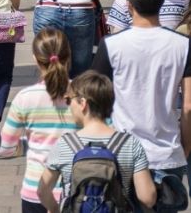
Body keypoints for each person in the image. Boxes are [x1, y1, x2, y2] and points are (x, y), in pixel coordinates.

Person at [93, 0, 191, 191]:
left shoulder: (111, 44)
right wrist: (185, 147)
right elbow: (188, 106)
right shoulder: (183, 45)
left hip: (122, 150)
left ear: (129, 5)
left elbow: (94, 98)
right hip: (168, 152)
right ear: (161, 2)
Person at [37, 71, 157, 212]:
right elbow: (147, 197)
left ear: (83, 103)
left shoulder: (64, 144)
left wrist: (54, 209)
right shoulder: (130, 144)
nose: (68, 105)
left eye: (69, 100)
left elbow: (42, 191)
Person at [0, 29, 76, 211]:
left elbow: (4, 148)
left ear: (35, 58)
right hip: (76, 190)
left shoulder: (25, 98)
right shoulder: (82, 94)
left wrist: (28, 145)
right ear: (69, 55)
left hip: (36, 189)